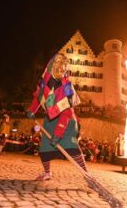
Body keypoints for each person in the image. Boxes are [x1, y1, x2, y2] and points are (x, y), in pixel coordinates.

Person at [27, 53, 87, 181]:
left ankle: (86, 175)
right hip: (50, 120)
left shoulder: (66, 88)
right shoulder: (45, 80)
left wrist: (59, 134)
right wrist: (32, 110)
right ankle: (47, 173)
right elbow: (39, 97)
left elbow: (66, 113)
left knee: (72, 148)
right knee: (44, 149)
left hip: (67, 122)